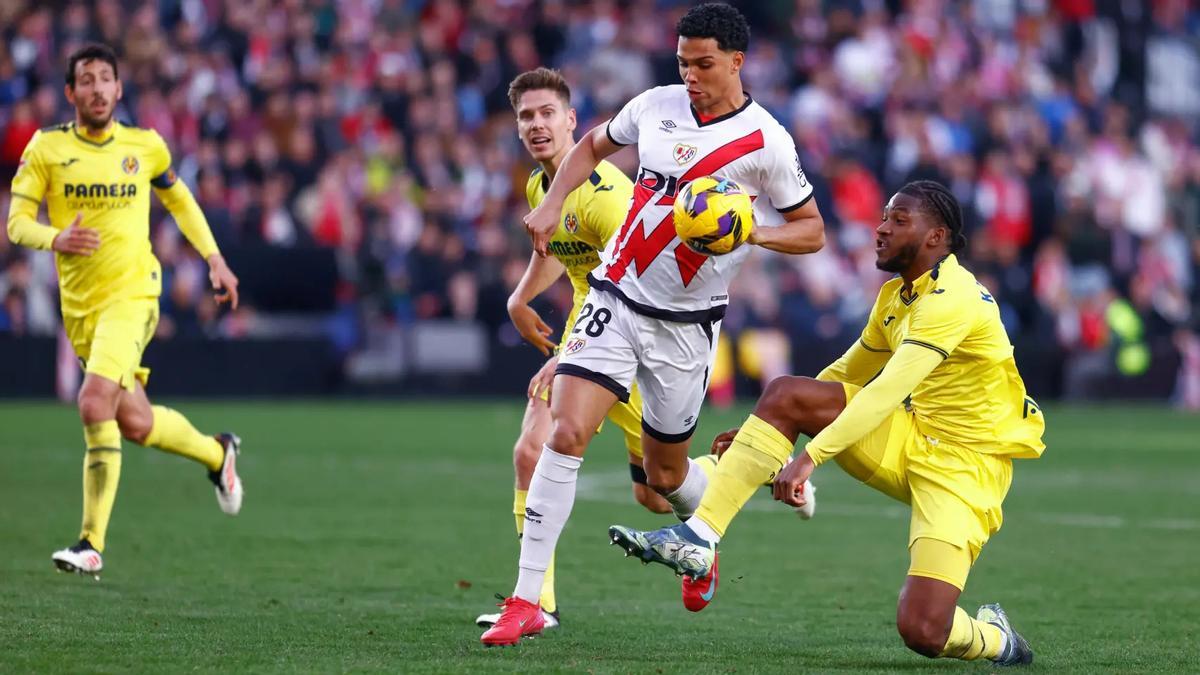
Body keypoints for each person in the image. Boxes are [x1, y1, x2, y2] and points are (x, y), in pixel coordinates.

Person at [482, 3, 825, 646]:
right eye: (682, 63)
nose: (690, 76)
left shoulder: (767, 142)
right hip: (615, 295)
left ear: (737, 62)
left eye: (703, 64)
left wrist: (752, 230)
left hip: (685, 326)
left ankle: (704, 540)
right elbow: (591, 146)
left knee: (664, 480)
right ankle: (528, 600)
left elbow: (813, 231)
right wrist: (554, 204)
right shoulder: (655, 105)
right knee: (565, 431)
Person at [610, 181, 1042, 666]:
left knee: (922, 628)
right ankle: (701, 539)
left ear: (936, 237)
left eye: (899, 221)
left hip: (966, 470)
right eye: (883, 216)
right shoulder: (895, 297)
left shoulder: (953, 299)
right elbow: (845, 375)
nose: (880, 228)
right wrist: (774, 428)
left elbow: (883, 392)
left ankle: (998, 639)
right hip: (911, 434)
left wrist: (808, 458)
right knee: (786, 394)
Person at [6, 44, 244, 578]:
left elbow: (179, 199)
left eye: (105, 79)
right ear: (71, 93)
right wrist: (55, 237)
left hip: (134, 295)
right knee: (134, 421)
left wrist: (214, 259)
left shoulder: (145, 146)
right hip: (82, 309)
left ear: (118, 89)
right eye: (85, 80)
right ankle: (218, 454)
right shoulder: (46, 149)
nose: (96, 88)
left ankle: (91, 542)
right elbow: (16, 222)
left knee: (93, 404)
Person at [474, 67, 673, 632]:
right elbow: (559, 249)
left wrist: (574, 352)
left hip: (638, 341)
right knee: (529, 453)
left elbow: (640, 279)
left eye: (546, 114)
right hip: (591, 333)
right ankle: (538, 604)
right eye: (525, 117)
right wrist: (519, 300)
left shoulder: (606, 196)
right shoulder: (541, 186)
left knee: (660, 494)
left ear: (571, 122)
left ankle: (760, 467)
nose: (537, 125)